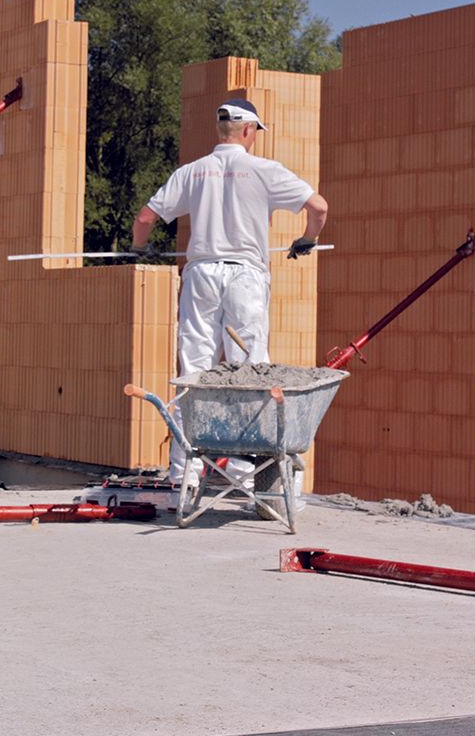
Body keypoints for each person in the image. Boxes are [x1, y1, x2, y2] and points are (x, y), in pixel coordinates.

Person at [129, 98, 327, 490]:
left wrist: (140, 249)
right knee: (249, 371)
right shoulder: (263, 170)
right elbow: (318, 207)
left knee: (194, 370)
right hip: (246, 278)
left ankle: (184, 474)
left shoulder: (193, 172)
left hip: (201, 275)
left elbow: (145, 218)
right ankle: (243, 473)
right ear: (250, 131)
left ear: (221, 130)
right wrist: (306, 240)